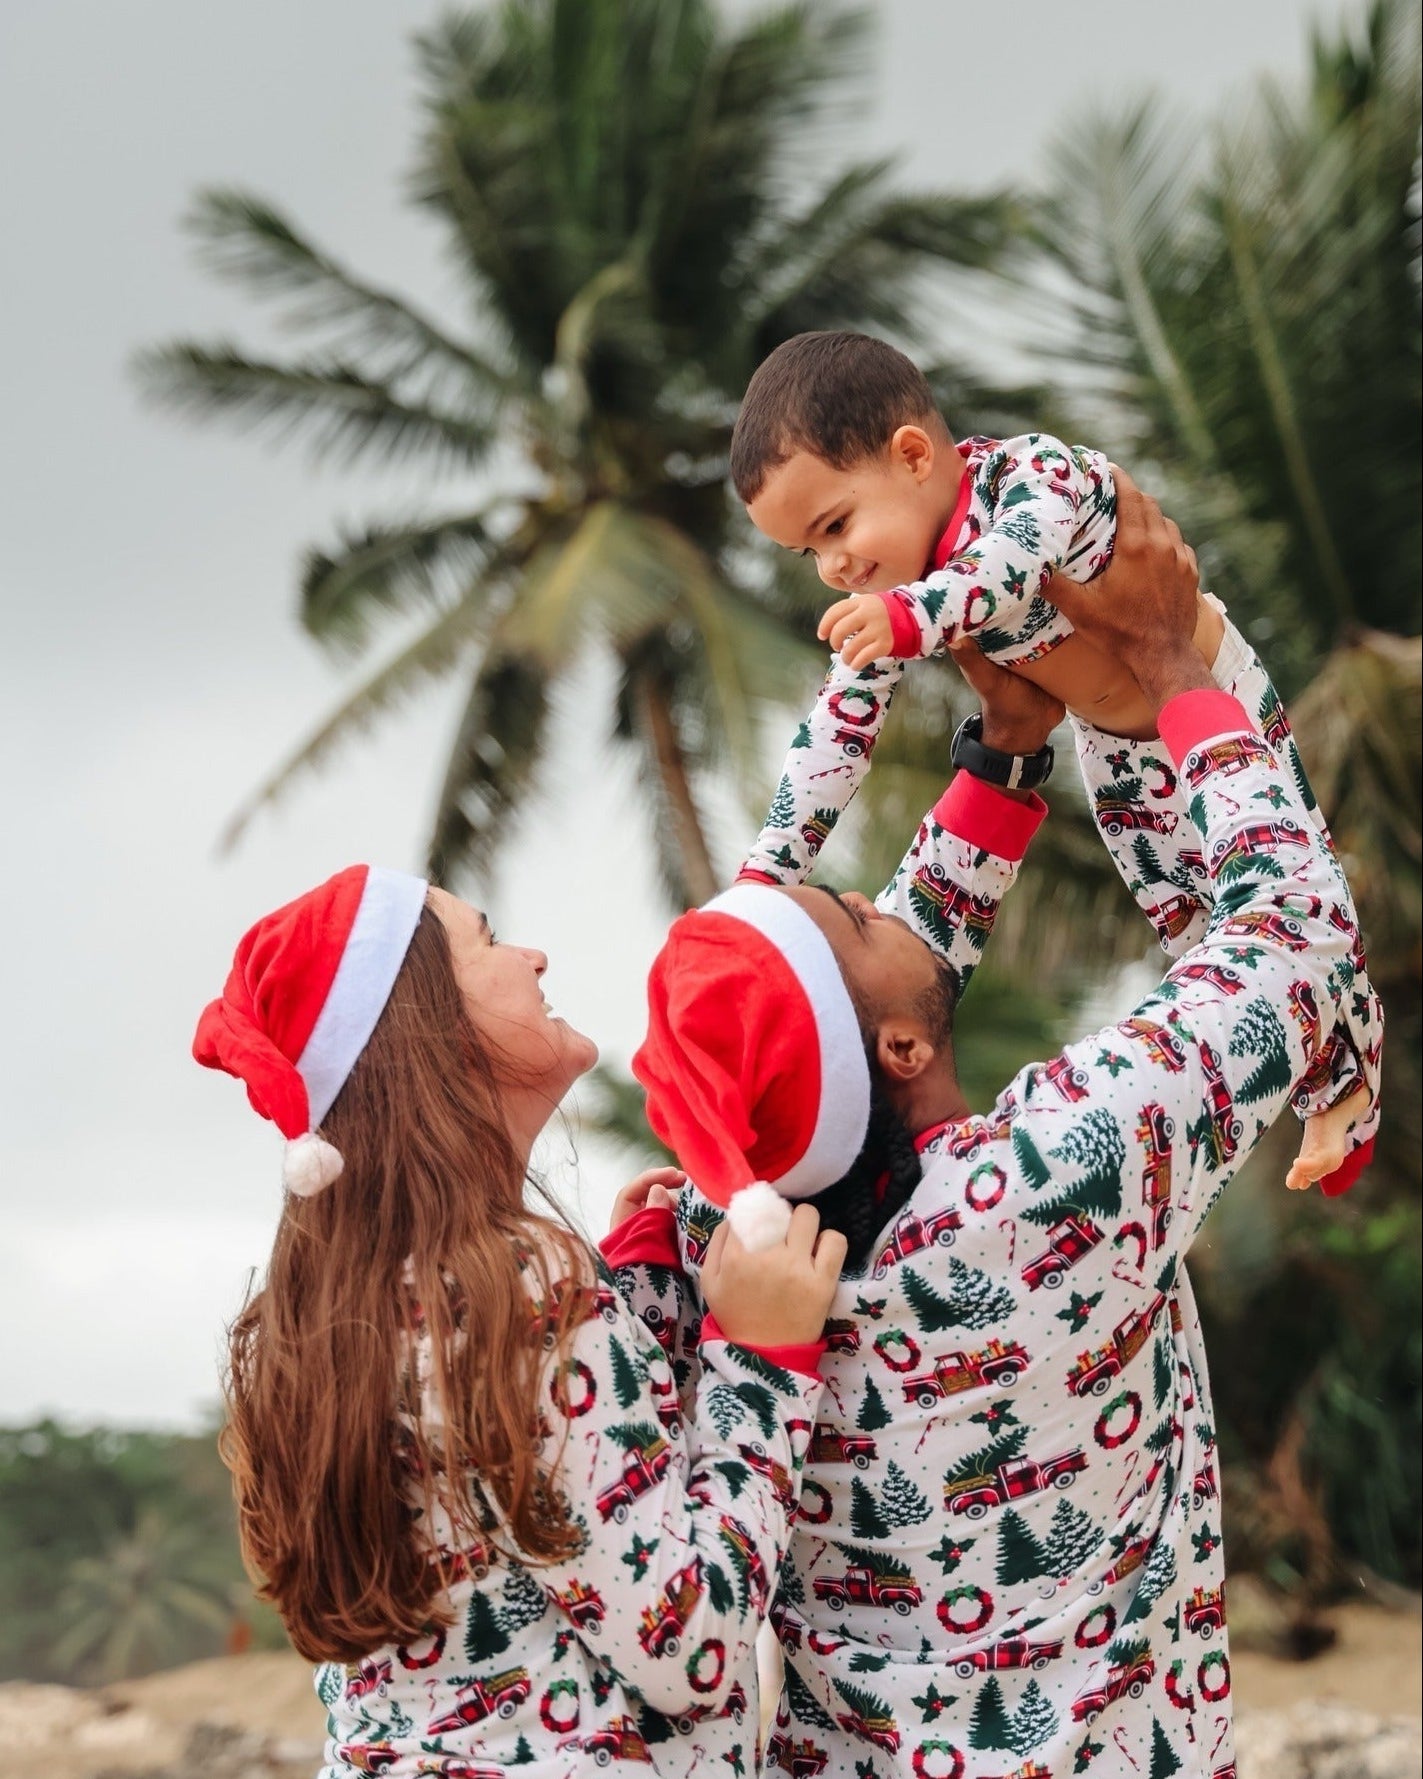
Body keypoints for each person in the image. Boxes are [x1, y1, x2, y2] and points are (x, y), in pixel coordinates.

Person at [609, 485, 1364, 1775]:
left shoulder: (724, 1255)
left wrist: (1007, 752)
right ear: (901, 1054)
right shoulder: (1050, 1175)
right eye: (856, 912)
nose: (880, 896)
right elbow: (1296, 940)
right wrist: (1174, 671)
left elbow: (877, 1005)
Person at [192, 871, 848, 1776]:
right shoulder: (515, 1282)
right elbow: (687, 1645)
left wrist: (628, 1304)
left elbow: (519, 1545)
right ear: (426, 1026)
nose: (533, 956)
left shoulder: (331, 1309)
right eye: (489, 939)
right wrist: (764, 1357)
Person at [729, 330, 1380, 1197]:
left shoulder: (1029, 476)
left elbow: (1007, 569)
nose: (833, 567)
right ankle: (1310, 1079)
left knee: (1287, 878)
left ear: (914, 456)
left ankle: (1351, 1075)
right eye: (808, 553)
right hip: (1112, 743)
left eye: (835, 526)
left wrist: (909, 617)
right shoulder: (898, 598)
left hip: (1208, 687)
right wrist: (763, 880)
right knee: (1191, 924)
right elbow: (834, 735)